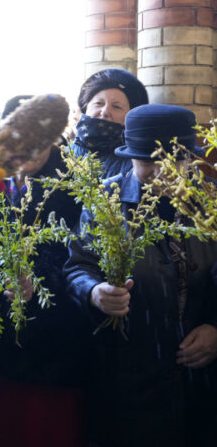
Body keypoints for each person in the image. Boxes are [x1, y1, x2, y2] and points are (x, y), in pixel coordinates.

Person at [65, 104, 217, 447]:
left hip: (204, 382)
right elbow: (77, 266)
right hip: (130, 376)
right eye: (147, 162)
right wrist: (94, 292)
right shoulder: (106, 199)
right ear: (130, 157)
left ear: (189, 158)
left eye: (171, 161)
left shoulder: (212, 201)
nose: (160, 173)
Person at [0, 95, 90, 447]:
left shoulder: (75, 185)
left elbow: (85, 262)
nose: (28, 151)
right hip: (2, 339)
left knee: (53, 430)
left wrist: (41, 285)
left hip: (59, 341)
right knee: (10, 428)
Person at [70, 67, 148, 178]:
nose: (105, 111)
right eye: (98, 103)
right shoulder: (62, 155)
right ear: (85, 108)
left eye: (116, 107)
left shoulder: (135, 168)